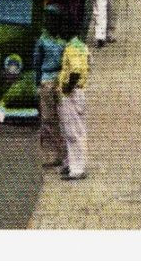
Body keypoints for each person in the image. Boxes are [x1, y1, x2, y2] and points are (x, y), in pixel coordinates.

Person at [31, 16, 67, 169]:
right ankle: (63, 152)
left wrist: (37, 83)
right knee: (60, 118)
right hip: (59, 80)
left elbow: (36, 63)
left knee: (47, 119)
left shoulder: (42, 41)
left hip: (47, 81)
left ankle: (54, 154)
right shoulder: (63, 42)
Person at [57, 31, 90, 180]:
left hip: (72, 93)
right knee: (77, 130)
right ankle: (74, 164)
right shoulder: (82, 46)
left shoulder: (72, 48)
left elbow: (75, 71)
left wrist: (67, 87)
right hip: (80, 91)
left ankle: (77, 169)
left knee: (72, 132)